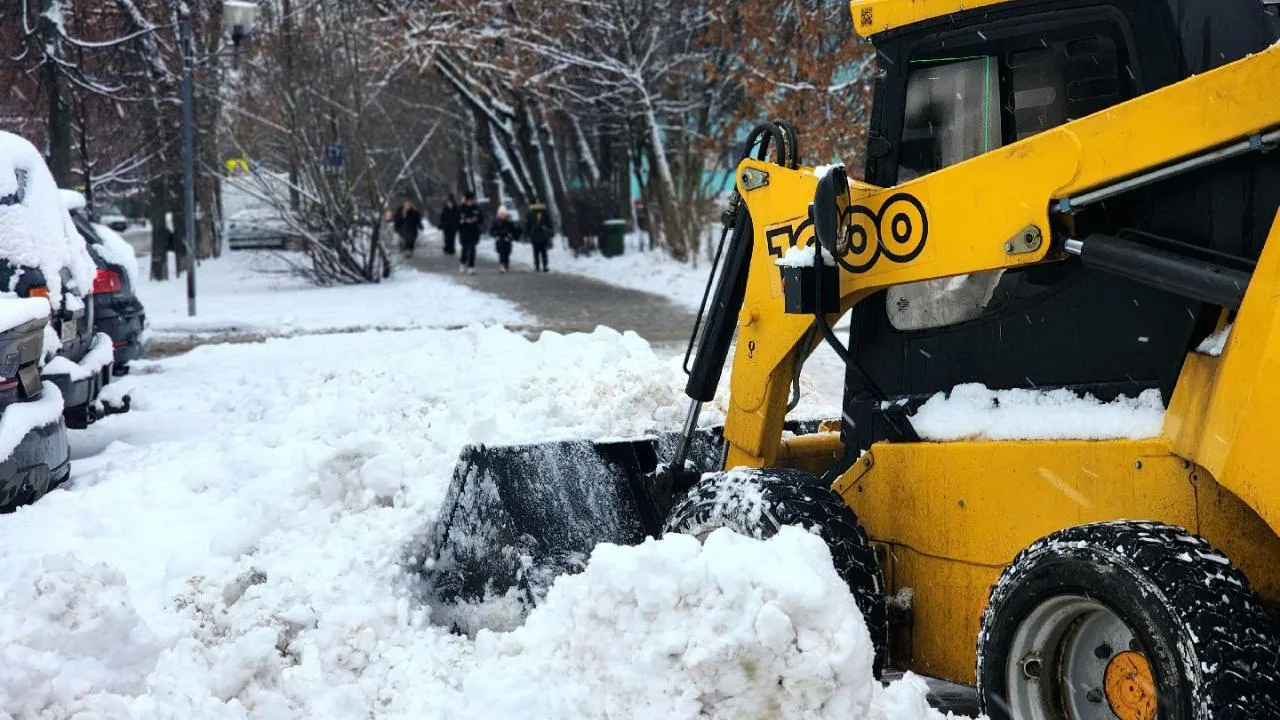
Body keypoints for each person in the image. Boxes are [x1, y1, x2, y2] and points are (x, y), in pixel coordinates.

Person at [456, 191, 483, 274]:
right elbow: (456, 221)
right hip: (464, 232)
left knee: (472, 249)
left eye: (473, 200)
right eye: (470, 200)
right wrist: (464, 221)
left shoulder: (476, 208)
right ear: (467, 200)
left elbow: (481, 219)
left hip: (474, 232)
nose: (472, 201)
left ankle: (471, 267)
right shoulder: (461, 209)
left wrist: (476, 220)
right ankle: (462, 262)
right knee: (465, 249)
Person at [490, 206, 522, 273]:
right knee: (501, 253)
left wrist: (514, 233)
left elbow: (513, 230)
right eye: (501, 214)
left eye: (503, 214)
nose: (502, 216)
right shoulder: (496, 222)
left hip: (507, 240)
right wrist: (496, 234)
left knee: (507, 253)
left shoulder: (509, 222)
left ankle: (506, 264)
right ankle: (502, 265)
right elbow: (492, 231)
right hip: (499, 240)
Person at [525, 200, 553, 272]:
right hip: (541, 234)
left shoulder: (530, 213)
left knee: (537, 251)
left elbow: (527, 225)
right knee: (542, 251)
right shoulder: (544, 213)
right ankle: (543, 266)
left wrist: (527, 234)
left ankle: (538, 266)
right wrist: (550, 231)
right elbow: (549, 224)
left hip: (536, 234)